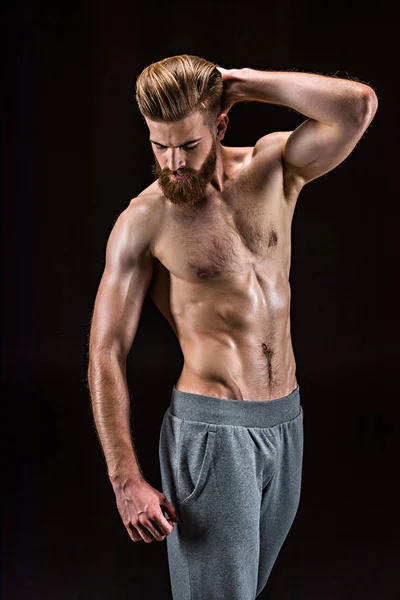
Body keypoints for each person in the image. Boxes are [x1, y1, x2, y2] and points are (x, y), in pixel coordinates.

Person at [87, 54, 378, 599]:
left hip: (285, 422)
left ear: (220, 125)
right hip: (214, 434)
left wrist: (240, 83)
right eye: (158, 145)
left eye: (188, 145)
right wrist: (125, 478)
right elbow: (106, 349)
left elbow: (357, 107)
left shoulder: (274, 169)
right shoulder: (142, 221)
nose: (171, 162)